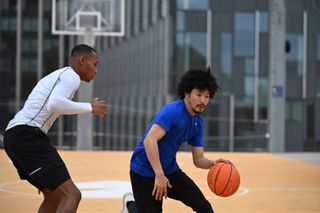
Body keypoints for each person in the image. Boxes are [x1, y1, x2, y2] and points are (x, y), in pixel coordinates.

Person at [3, 44, 108, 212]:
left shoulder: (62, 75)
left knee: (55, 196)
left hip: (15, 136)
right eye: (94, 64)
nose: (96, 70)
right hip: (27, 135)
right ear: (82, 60)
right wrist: (90, 107)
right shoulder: (71, 76)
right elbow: (54, 104)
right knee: (72, 195)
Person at [127, 67, 231, 213]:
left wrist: (213, 164)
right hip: (144, 171)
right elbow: (149, 141)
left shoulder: (197, 123)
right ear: (187, 93)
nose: (203, 100)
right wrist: (159, 175)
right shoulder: (173, 111)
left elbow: (198, 159)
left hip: (169, 171)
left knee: (205, 208)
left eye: (207, 96)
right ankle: (131, 207)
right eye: (199, 94)